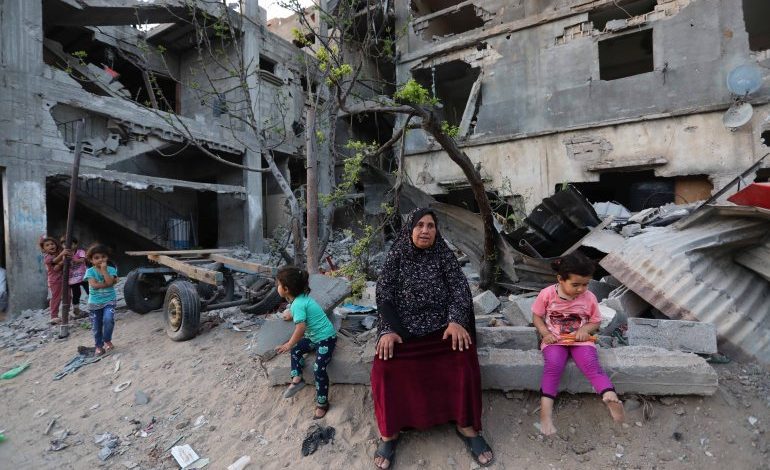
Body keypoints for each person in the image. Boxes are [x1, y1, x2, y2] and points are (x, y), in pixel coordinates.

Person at [371, 208, 494, 469]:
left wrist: (456, 321)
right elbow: (384, 296)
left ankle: (466, 426)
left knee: (463, 358)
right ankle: (389, 434)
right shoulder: (397, 256)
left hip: (442, 329)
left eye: (430, 226)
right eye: (420, 225)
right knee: (385, 366)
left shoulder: (443, 256)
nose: (425, 231)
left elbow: (459, 290)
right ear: (410, 229)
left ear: (436, 231)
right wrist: (388, 330)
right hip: (404, 331)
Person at [532, 252, 625, 436]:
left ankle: (610, 396)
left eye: (585, 284)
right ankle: (545, 414)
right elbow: (537, 317)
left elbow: (595, 321)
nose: (581, 289)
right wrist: (545, 333)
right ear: (560, 279)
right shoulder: (547, 294)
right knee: (553, 366)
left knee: (591, 365)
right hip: (555, 340)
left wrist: (585, 330)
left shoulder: (589, 297)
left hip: (580, 341)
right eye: (575, 285)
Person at [275, 266, 337, 419]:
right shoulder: (300, 300)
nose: (277, 287)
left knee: (318, 369)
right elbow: (300, 311)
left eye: (279, 284)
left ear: (286, 289)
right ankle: (297, 378)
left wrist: (289, 343)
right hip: (314, 338)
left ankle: (322, 403)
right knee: (296, 350)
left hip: (326, 338)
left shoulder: (298, 304)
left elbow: (300, 328)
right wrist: (291, 315)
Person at [83, 244, 118, 356]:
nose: (100, 260)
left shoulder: (111, 269)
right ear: (91, 260)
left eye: (103, 257)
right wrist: (108, 283)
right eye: (96, 258)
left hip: (109, 300)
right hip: (94, 303)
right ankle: (98, 346)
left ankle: (107, 340)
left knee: (108, 319)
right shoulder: (90, 272)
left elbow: (109, 282)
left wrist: (104, 271)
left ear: (107, 257)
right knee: (96, 326)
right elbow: (94, 285)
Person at [39, 236, 67, 324]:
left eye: (52, 244)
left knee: (67, 296)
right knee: (56, 298)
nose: (51, 246)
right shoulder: (47, 257)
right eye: (47, 245)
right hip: (54, 281)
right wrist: (62, 255)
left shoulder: (57, 254)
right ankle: (53, 316)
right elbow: (54, 262)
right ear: (43, 249)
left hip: (62, 279)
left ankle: (66, 313)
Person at [61, 237, 89, 319]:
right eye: (65, 244)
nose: (68, 245)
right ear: (62, 246)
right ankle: (76, 309)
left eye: (71, 244)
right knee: (76, 294)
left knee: (90, 291)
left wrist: (73, 258)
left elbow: (82, 260)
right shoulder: (64, 255)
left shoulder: (80, 252)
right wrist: (65, 259)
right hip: (73, 278)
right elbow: (65, 264)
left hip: (83, 276)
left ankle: (96, 305)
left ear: (75, 244)